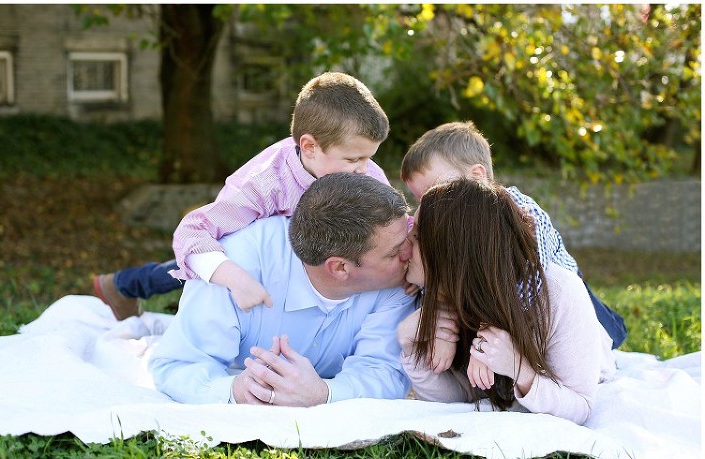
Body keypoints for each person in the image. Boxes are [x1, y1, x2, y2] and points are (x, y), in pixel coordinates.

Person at [93, 72, 391, 320]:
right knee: (195, 266)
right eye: (353, 160)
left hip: (311, 255)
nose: (364, 170)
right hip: (250, 251)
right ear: (310, 147)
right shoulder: (265, 183)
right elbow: (195, 232)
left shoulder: (365, 174)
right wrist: (235, 279)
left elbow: (394, 227)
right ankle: (124, 285)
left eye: (369, 158)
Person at [148, 172, 413, 406]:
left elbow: (385, 370)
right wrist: (237, 390)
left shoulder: (400, 279)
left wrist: (325, 393)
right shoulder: (235, 268)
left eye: (408, 237)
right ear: (340, 268)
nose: (411, 252)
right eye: (395, 252)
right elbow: (177, 365)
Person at [397, 177, 616, 425]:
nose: (404, 247)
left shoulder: (559, 293)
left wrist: (519, 368)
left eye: (416, 237)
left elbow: (579, 407)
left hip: (589, 361)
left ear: (449, 252)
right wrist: (412, 346)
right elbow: (462, 398)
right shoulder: (450, 294)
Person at [400, 121, 627, 349]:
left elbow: (533, 275)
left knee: (603, 337)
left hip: (557, 291)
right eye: (421, 199)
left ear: (477, 176)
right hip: (511, 308)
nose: (430, 205)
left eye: (437, 189)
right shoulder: (458, 230)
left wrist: (490, 330)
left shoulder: (517, 209)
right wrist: (424, 285)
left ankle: (613, 329)